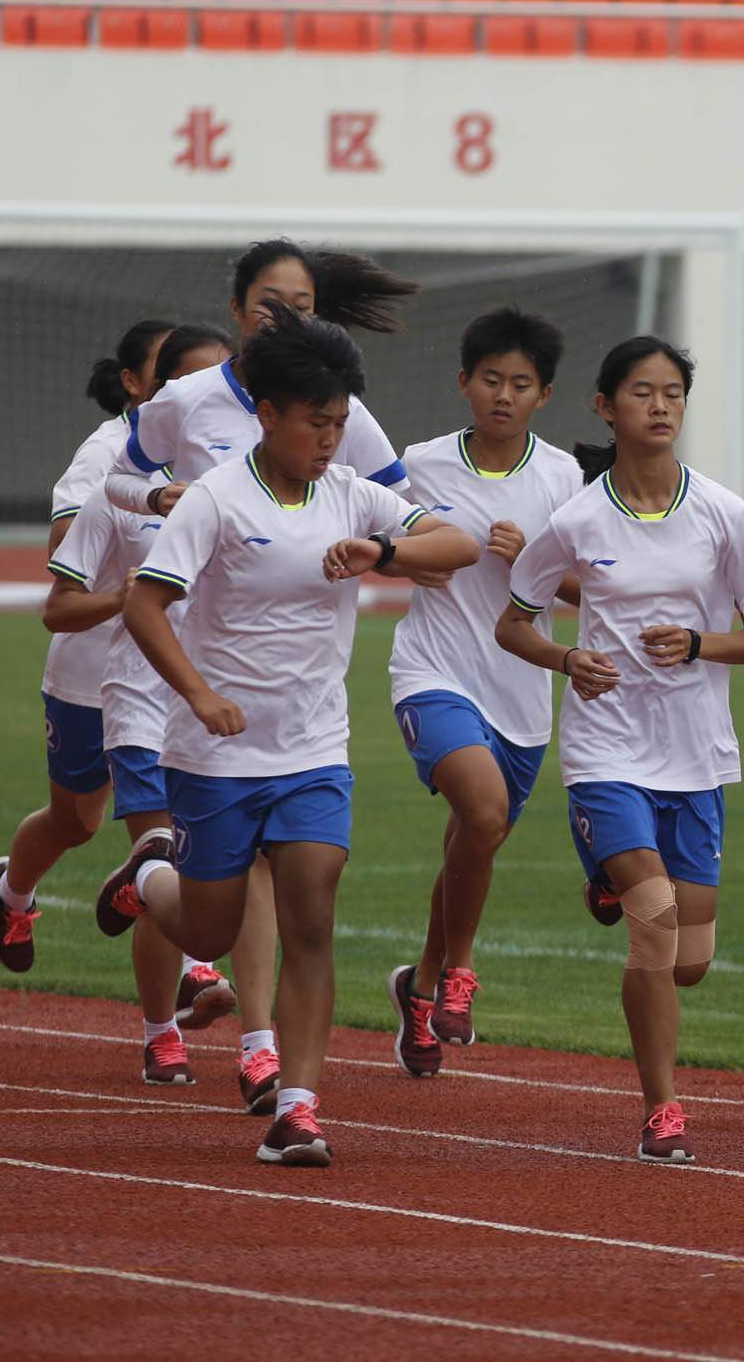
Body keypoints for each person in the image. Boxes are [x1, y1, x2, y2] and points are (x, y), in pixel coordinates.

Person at [94, 305, 479, 1167]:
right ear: (268, 415)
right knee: (207, 932)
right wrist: (196, 698)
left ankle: (298, 1111)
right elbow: (146, 605)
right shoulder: (217, 501)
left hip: (313, 752)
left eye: (341, 422)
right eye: (316, 421)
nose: (331, 438)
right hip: (215, 754)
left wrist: (382, 552)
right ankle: (149, 875)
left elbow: (456, 545)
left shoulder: (354, 494)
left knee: (311, 920)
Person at [497, 336, 744, 1164]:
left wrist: (701, 645)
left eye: (672, 394)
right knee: (653, 921)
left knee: (690, 962)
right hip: (606, 750)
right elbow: (511, 624)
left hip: (695, 754)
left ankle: (608, 878)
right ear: (604, 406)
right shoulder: (577, 519)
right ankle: (664, 1110)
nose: (659, 407)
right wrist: (565, 658)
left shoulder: (724, 514)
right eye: (641, 392)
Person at [0, 320, 244, 1025]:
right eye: (174, 379)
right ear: (136, 385)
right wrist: (135, 582)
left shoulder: (231, 456)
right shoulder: (106, 456)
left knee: (166, 826)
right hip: (90, 664)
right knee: (74, 820)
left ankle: (195, 974)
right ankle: (13, 892)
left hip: (174, 681)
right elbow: (66, 552)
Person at [383, 307, 583, 1078]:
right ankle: (461, 970)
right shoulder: (418, 463)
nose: (504, 394)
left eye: (521, 383)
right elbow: (382, 538)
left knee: (476, 837)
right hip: (434, 669)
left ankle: (422, 986)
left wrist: (531, 558)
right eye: (491, 379)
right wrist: (403, 558)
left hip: (522, 686)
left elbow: (584, 584)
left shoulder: (563, 476)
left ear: (545, 394)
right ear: (463, 382)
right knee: (482, 809)